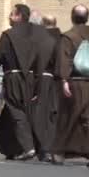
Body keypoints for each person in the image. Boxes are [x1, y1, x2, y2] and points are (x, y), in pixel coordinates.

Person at [0, 4, 51, 160]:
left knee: (17, 111)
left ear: (19, 16)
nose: (9, 17)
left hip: (14, 78)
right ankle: (17, 148)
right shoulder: (38, 34)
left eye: (11, 14)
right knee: (25, 113)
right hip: (33, 78)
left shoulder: (8, 35)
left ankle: (28, 147)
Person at [51, 5, 89, 167]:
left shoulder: (68, 37)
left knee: (69, 118)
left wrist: (63, 81)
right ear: (87, 17)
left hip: (75, 82)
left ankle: (60, 153)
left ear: (72, 17)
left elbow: (64, 60)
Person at [28, 10, 59, 162]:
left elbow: (36, 63)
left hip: (41, 79)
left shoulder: (39, 40)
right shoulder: (59, 38)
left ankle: (43, 148)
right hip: (55, 80)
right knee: (52, 115)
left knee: (40, 115)